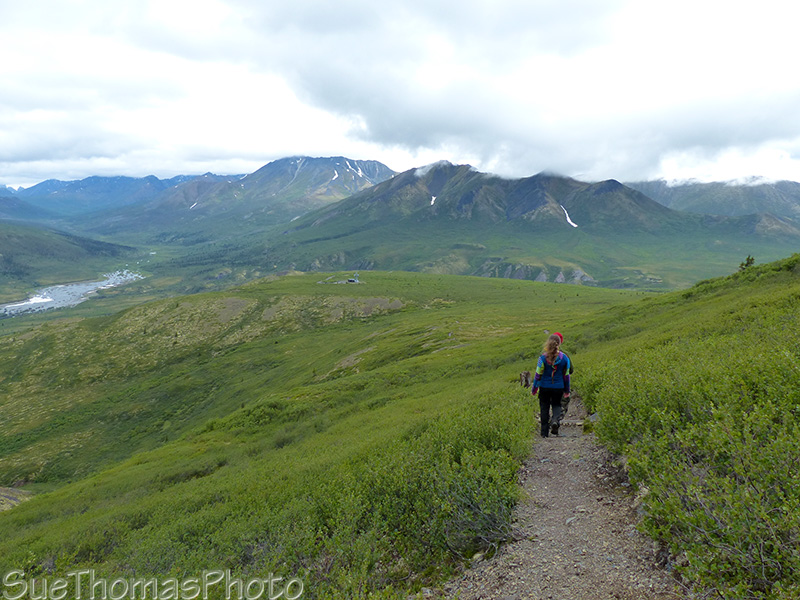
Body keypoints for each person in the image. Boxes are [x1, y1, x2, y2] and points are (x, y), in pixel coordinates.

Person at [531, 334, 571, 437]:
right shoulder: (565, 358)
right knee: (556, 405)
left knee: (544, 408)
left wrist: (534, 388)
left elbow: (537, 375)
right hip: (558, 387)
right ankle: (555, 421)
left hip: (544, 387)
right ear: (559, 343)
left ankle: (544, 434)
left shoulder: (542, 358)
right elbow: (566, 376)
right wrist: (567, 390)